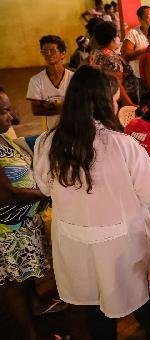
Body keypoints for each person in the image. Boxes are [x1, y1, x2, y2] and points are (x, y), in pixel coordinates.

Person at [33, 65, 150, 340]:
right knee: (141, 300)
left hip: (75, 241)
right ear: (103, 103)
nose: (116, 104)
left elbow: (46, 189)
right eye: (115, 100)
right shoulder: (122, 145)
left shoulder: (47, 143)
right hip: (122, 246)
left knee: (93, 306)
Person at [0, 87, 60, 340]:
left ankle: (35, 306)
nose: (12, 115)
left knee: (24, 276)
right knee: (13, 284)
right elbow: (7, 194)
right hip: (8, 230)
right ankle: (30, 333)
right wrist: (48, 193)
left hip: (22, 223)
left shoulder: (3, 137)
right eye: (4, 110)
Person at [26, 35, 74, 131]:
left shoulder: (74, 77)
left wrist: (49, 105)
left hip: (74, 128)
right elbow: (36, 109)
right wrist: (68, 106)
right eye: (44, 51)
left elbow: (82, 105)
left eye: (52, 50)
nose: (48, 54)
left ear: (63, 54)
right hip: (51, 131)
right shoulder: (36, 81)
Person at [90, 20, 139, 106]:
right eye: (117, 35)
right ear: (113, 38)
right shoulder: (112, 59)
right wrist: (129, 104)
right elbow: (117, 84)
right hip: (119, 103)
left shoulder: (96, 53)